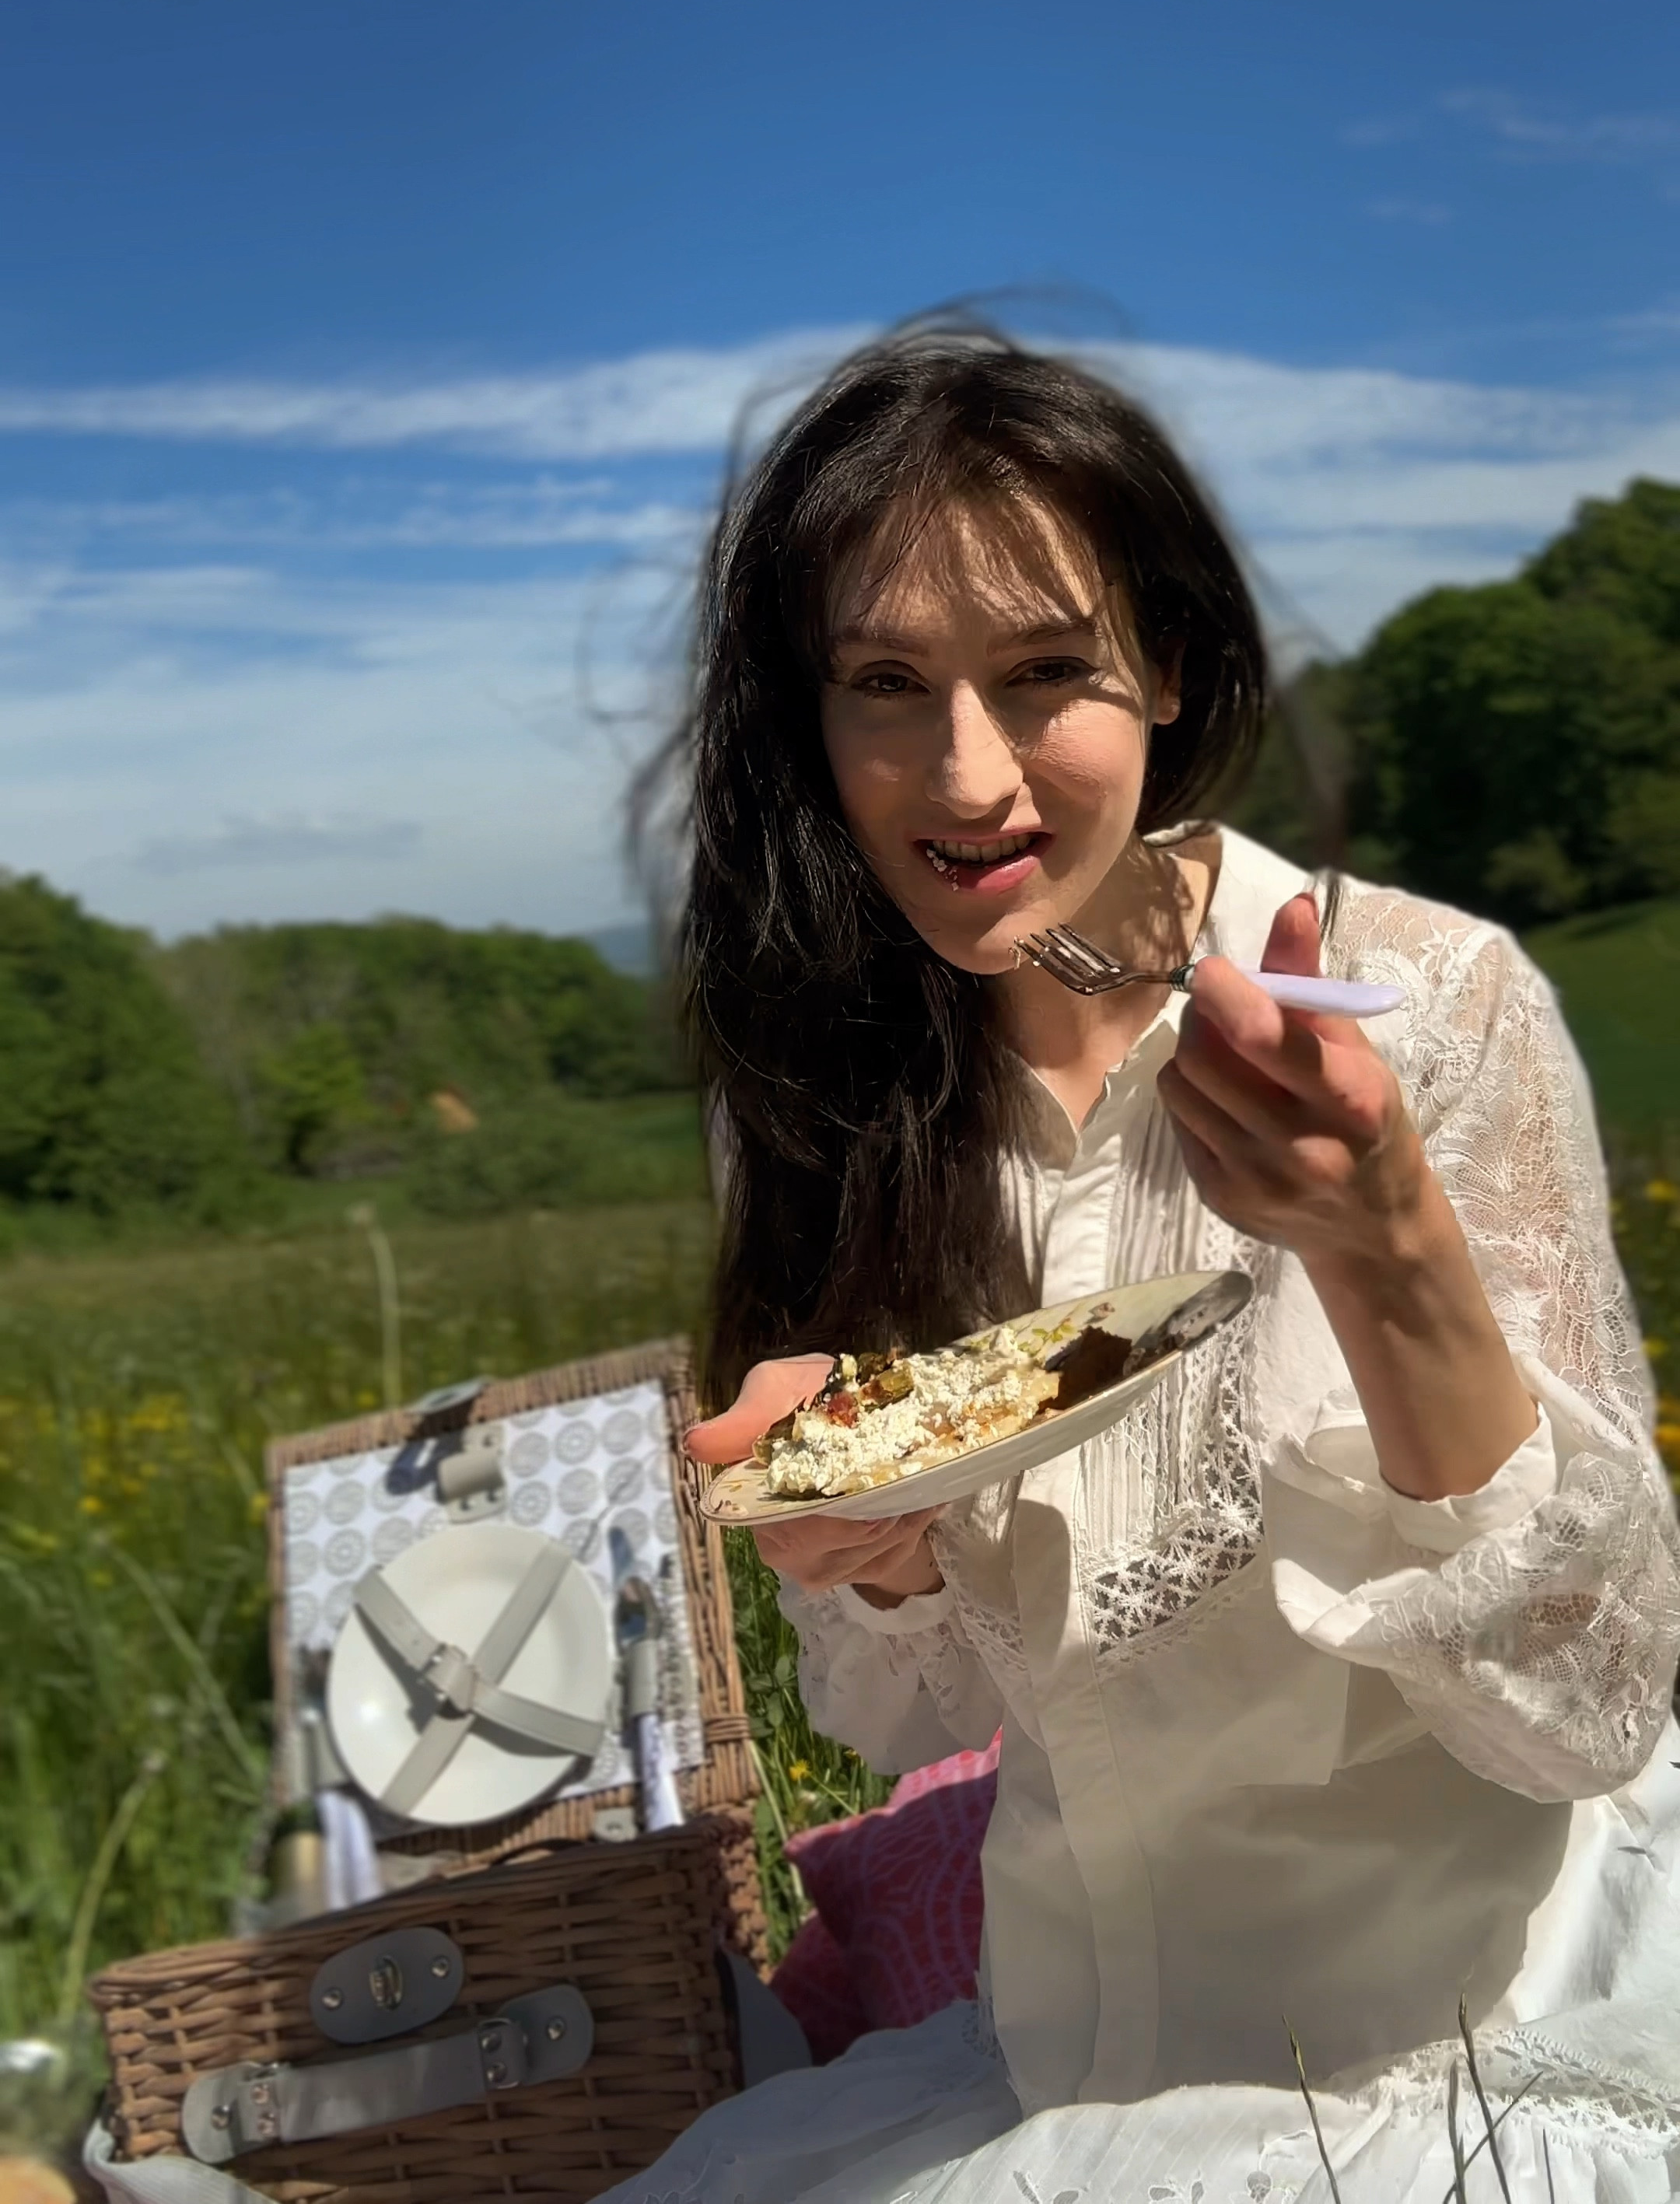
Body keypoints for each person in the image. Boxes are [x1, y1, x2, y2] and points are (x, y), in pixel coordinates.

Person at [614, 327, 1680, 2204]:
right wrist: (857, 1553)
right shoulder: (837, 1089)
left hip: (1446, 2051)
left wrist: (1387, 1239)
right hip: (1051, 2053)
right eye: (884, 683)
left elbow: (1585, 1710)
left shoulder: (1423, 1007)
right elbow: (916, 1714)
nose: (966, 778)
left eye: (1046, 676)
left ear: (1172, 667)